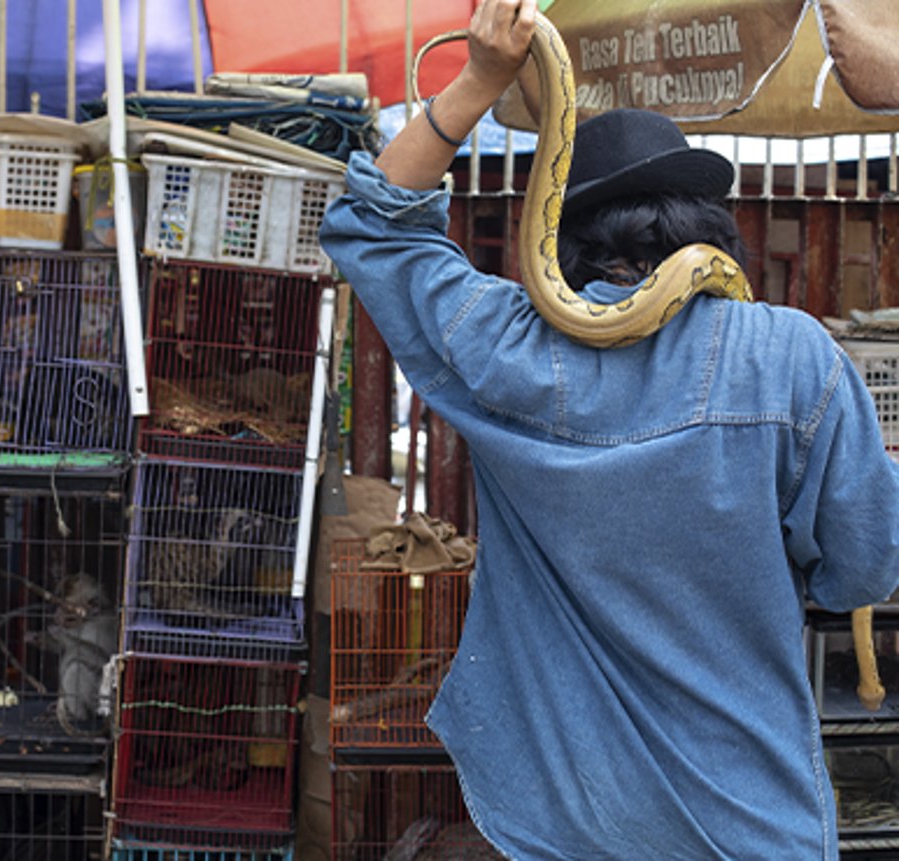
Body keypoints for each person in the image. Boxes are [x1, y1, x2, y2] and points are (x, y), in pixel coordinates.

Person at [318, 0, 899, 858]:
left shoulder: (504, 350)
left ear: (566, 237)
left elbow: (372, 222)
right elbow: (863, 568)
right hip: (747, 820)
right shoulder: (791, 358)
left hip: (561, 823)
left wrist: (479, 79)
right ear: (703, 225)